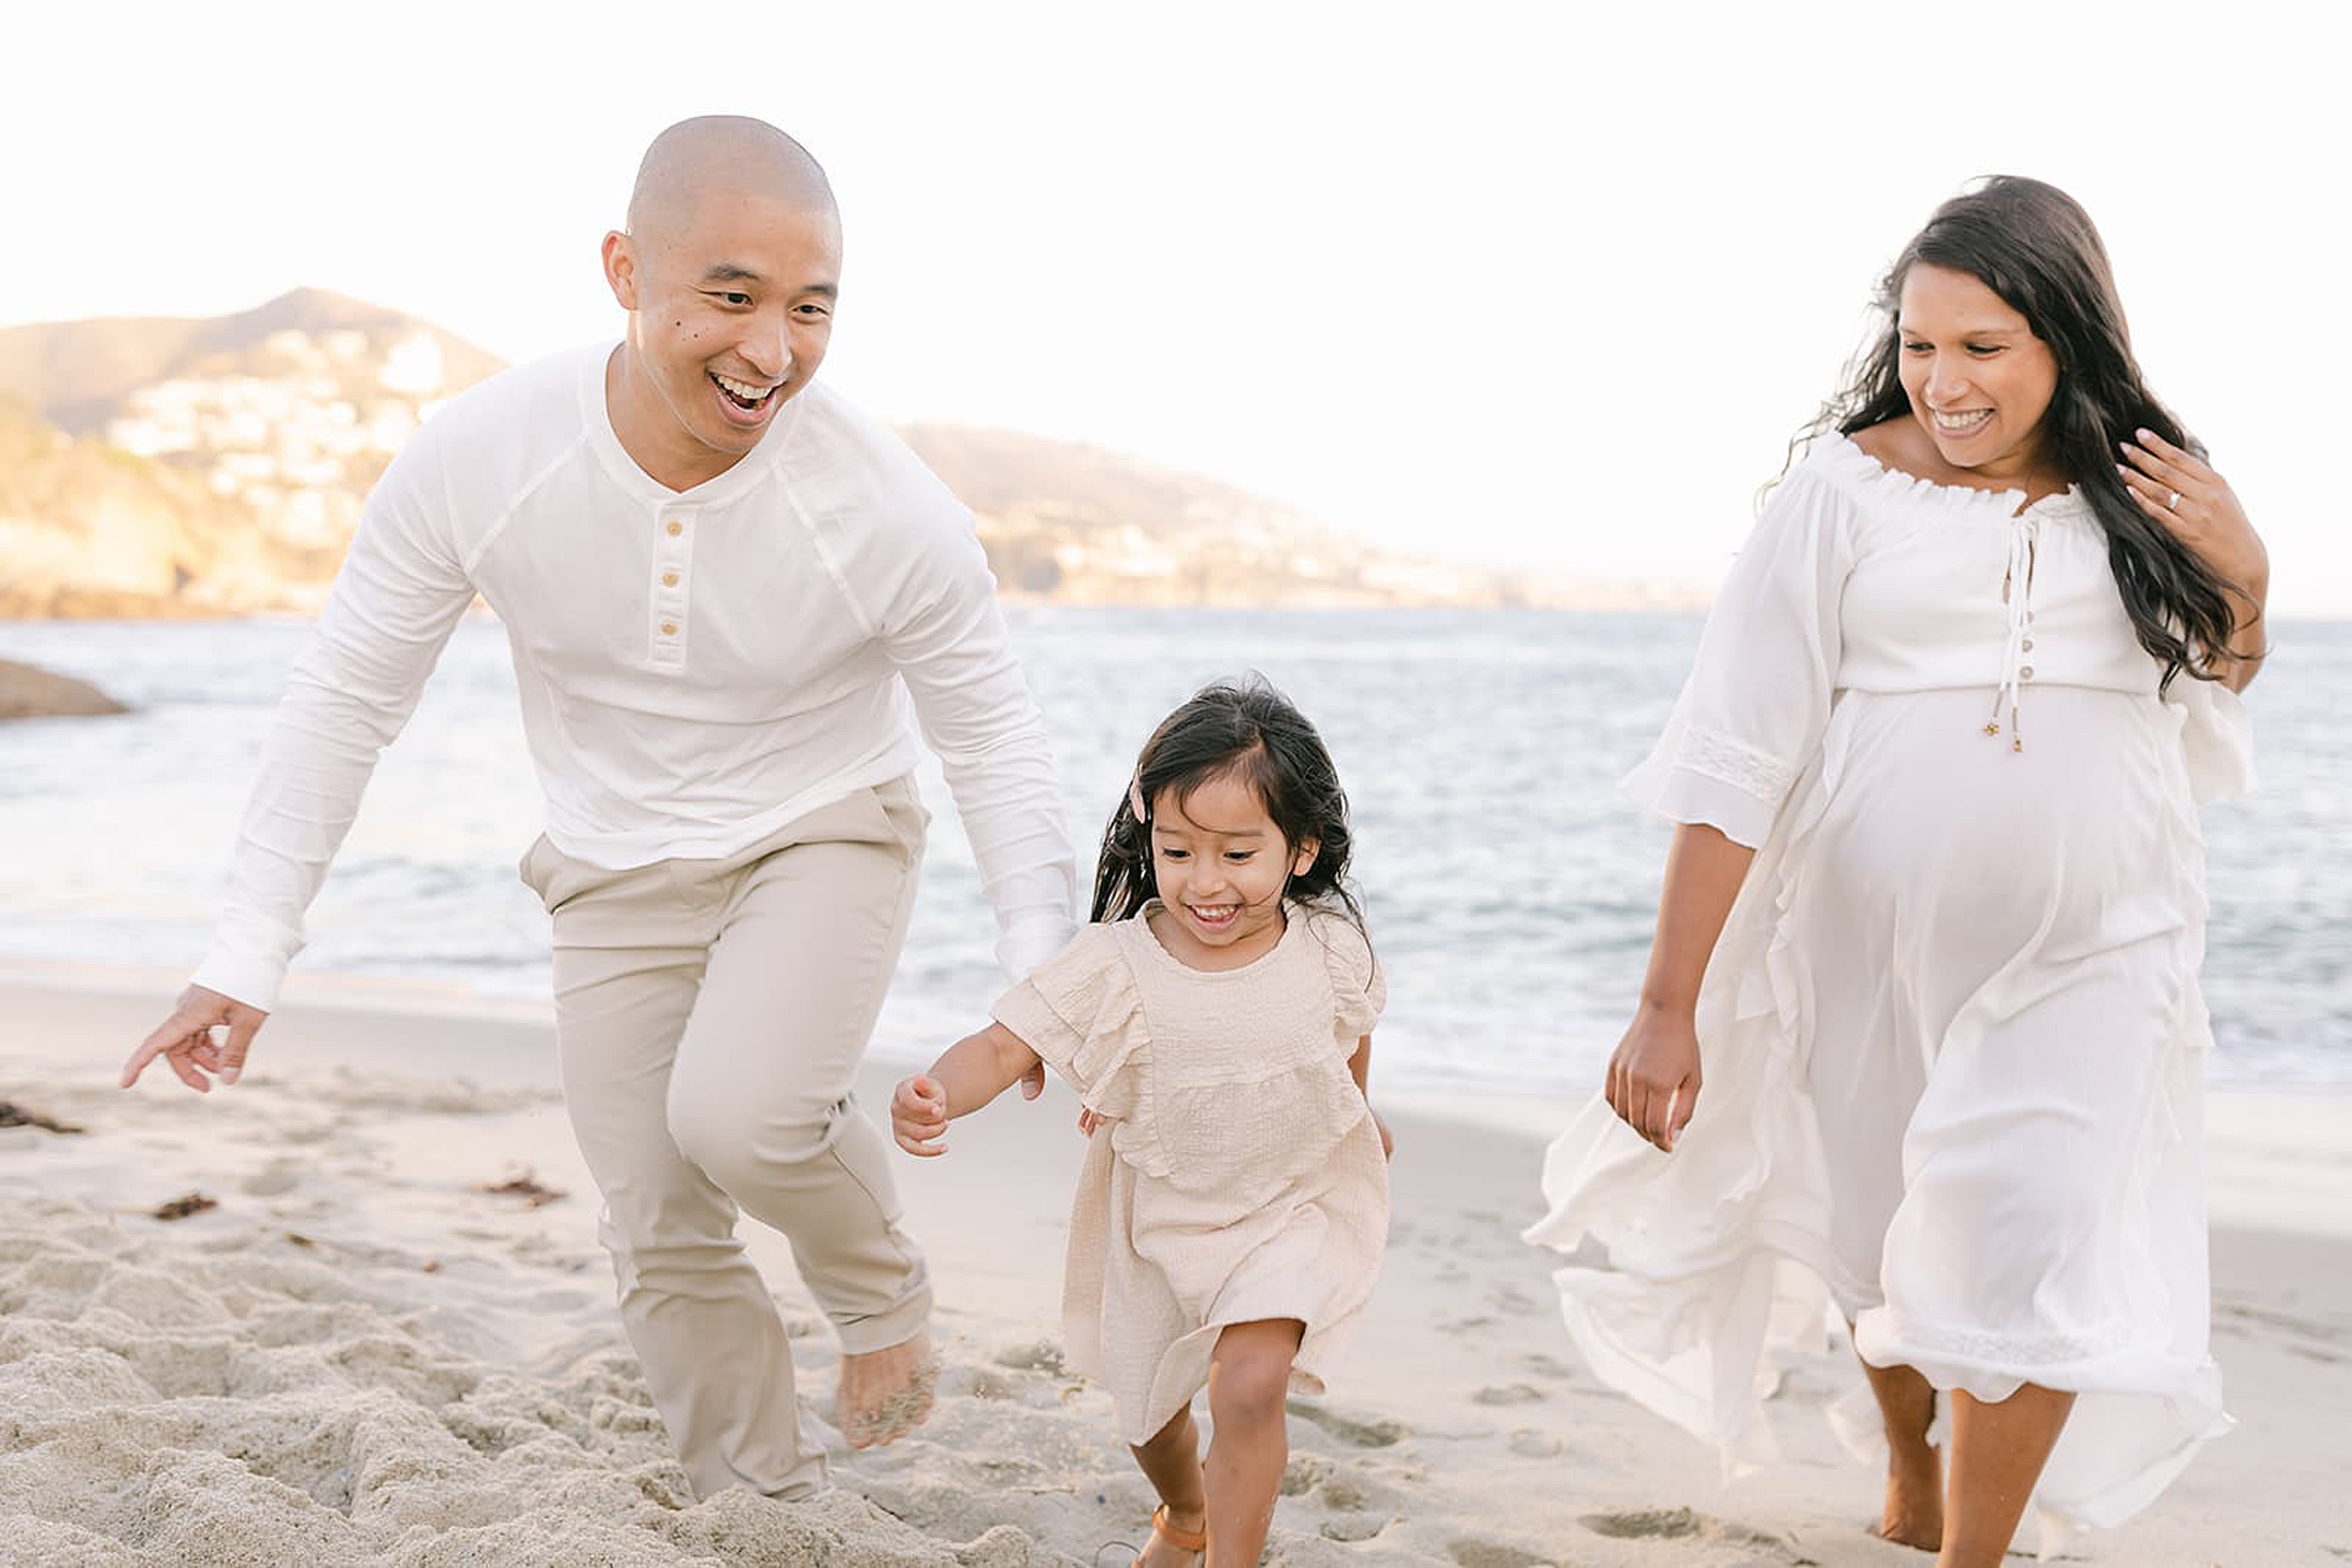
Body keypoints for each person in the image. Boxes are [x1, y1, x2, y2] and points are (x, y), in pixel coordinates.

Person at [117, 116, 1079, 1501]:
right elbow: (347, 694)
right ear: (627, 269)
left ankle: (879, 1290)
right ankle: (757, 1496)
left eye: (812, 310)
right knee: (658, 1209)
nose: (772, 351)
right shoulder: (484, 456)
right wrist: (245, 951)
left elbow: (991, 735)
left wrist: (1038, 970)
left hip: (823, 823)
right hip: (608, 859)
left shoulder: (886, 508)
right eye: (733, 296)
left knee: (745, 1116)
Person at [1524, 176, 2267, 1568]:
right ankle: (1906, 1451)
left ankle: (1968, 1555)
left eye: (1982, 346)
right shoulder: (1843, 489)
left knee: (2019, 1235)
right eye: (1921, 343)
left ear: (2067, 337)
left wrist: (2251, 573)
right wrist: (1667, 999)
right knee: (1885, 1234)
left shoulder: (2153, 479)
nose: (1944, 379)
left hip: (2107, 940)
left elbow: (2220, 673)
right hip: (1866, 945)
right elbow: (1735, 748)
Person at [890, 679, 1391, 1568]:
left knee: (1250, 1383)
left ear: (1302, 847)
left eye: (1239, 853)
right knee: (1148, 1416)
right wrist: (938, 1087)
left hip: (1288, 1206)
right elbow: (1006, 1046)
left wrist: (1358, 1113)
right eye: (1178, 850)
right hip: (1159, 1219)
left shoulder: (1330, 947)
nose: (1207, 882)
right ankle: (1185, 1511)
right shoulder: (1117, 962)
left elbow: (1346, 1036)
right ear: (1146, 837)